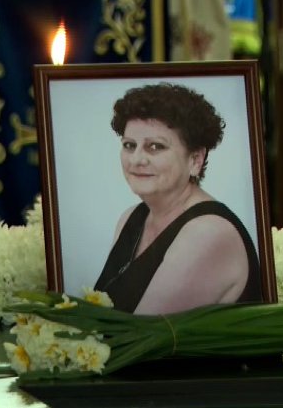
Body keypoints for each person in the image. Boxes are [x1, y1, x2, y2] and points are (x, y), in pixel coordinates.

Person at [93, 82, 262, 314]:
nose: (136, 159)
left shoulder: (209, 233)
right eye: (129, 145)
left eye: (155, 146)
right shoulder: (131, 218)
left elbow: (143, 332)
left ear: (195, 160)